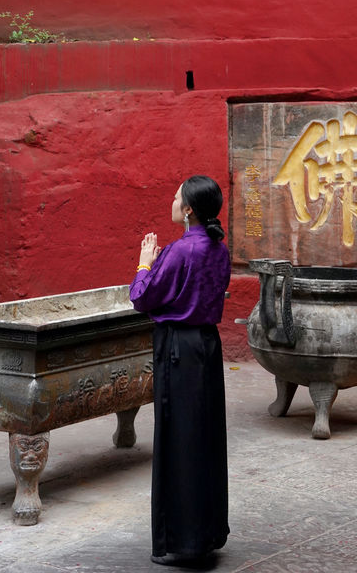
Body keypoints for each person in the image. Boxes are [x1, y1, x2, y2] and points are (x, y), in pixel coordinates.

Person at [130, 175, 231, 567]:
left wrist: (144, 263)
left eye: (176, 198)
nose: (171, 202)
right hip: (207, 346)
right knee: (205, 438)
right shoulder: (217, 249)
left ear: (189, 208)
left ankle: (183, 542)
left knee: (178, 442)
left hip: (178, 349)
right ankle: (207, 534)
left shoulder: (180, 251)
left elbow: (142, 297)